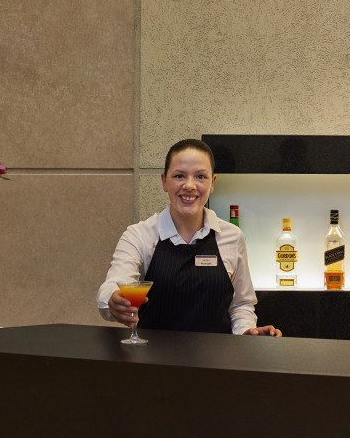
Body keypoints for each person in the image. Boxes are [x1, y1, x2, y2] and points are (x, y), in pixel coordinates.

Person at [97, 139, 281, 336]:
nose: (190, 185)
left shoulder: (232, 236)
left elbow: (241, 304)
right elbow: (114, 283)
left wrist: (246, 332)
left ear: (212, 183)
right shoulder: (139, 235)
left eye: (200, 176)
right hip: (154, 354)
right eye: (179, 176)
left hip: (218, 354)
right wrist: (113, 299)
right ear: (164, 181)